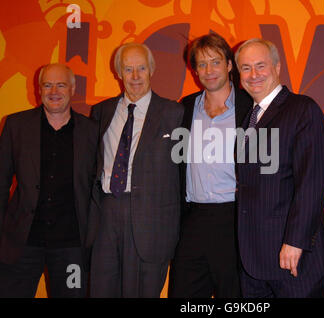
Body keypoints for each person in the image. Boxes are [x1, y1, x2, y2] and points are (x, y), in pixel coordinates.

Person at [234, 38, 324, 298]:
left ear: (277, 67)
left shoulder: (302, 110)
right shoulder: (249, 117)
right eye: (245, 68)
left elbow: (312, 183)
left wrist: (295, 242)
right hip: (254, 260)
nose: (253, 74)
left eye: (260, 65)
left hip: (293, 258)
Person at [87, 42, 184, 297]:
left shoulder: (174, 113)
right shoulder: (101, 112)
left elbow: (184, 173)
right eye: (128, 69)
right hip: (105, 216)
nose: (135, 76)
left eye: (141, 68)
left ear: (152, 69)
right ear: (118, 72)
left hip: (150, 221)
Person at [0, 64, 98, 297]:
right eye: (47, 84)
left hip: (72, 245)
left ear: (72, 89)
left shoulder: (91, 131)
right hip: (21, 243)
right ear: (39, 89)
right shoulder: (16, 126)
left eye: (61, 84)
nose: (54, 90)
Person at [168, 33, 252, 298]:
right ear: (194, 70)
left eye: (215, 62)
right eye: (201, 64)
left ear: (229, 65)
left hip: (236, 220)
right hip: (193, 220)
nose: (208, 70)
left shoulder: (250, 107)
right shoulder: (186, 107)